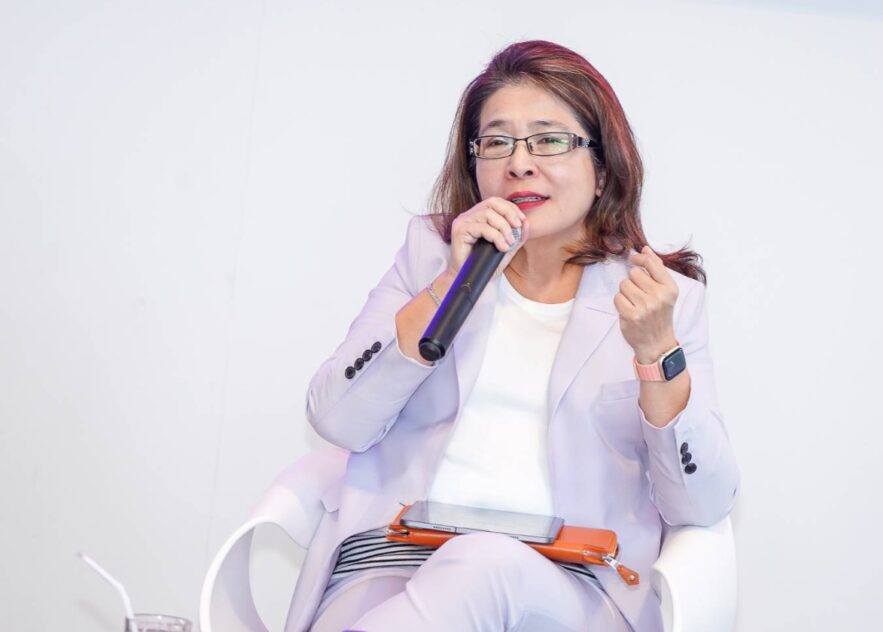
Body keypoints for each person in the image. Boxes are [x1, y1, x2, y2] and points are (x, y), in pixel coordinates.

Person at [290, 40, 740, 632]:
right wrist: (449, 285)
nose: (519, 164)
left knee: (486, 564)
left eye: (549, 140)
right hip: (395, 561)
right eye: (497, 142)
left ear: (603, 170)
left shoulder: (659, 298)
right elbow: (337, 420)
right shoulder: (431, 258)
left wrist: (657, 353)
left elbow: (701, 503)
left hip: (573, 586)